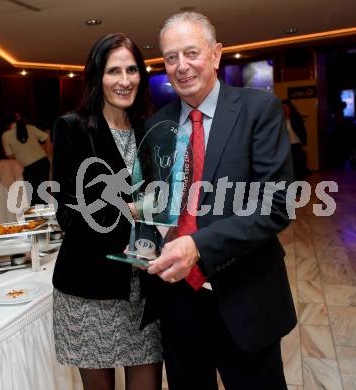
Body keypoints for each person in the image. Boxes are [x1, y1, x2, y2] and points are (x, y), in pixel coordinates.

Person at [144, 11, 297, 390]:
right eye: (171, 57)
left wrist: (197, 246)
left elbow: (276, 206)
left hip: (244, 295)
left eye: (191, 53)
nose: (181, 66)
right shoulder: (156, 126)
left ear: (216, 54)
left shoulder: (258, 110)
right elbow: (158, 200)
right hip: (178, 301)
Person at [51, 33, 162, 390]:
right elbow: (66, 214)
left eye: (132, 70)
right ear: (98, 76)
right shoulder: (72, 128)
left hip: (145, 290)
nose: (125, 80)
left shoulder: (152, 128)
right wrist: (129, 209)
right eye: (114, 71)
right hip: (89, 291)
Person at [2, 113, 50, 205]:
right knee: (43, 192)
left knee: (33, 196)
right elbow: (47, 137)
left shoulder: (6, 135)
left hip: (28, 167)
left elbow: (10, 156)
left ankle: (39, 218)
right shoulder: (30, 127)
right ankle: (48, 216)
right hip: (43, 162)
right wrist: (47, 153)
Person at [282, 99, 308, 180]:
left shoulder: (296, 117)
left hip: (296, 146)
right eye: (282, 107)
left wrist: (304, 145)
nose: (284, 108)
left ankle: (298, 187)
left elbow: (303, 132)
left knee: (297, 167)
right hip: (286, 147)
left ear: (290, 107)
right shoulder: (281, 119)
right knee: (288, 168)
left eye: (285, 106)